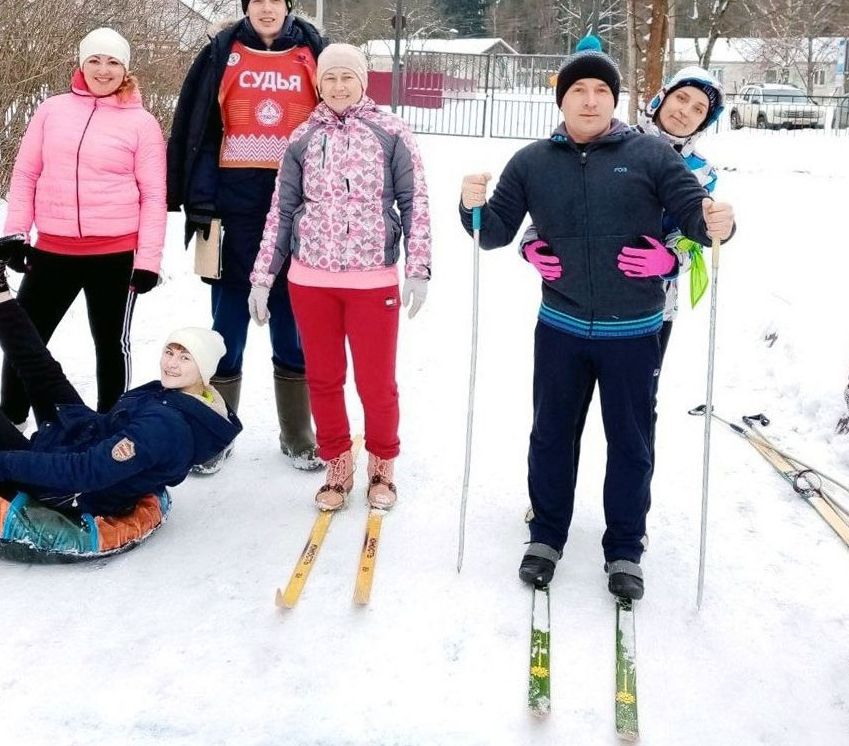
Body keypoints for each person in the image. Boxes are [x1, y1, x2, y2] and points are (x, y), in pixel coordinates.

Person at [458, 40, 736, 601]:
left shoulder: (654, 156)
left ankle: (625, 547)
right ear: (561, 100)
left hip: (634, 331)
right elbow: (493, 232)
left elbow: (696, 219)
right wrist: (471, 206)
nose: (590, 100)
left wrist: (718, 224)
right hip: (560, 327)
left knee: (630, 442)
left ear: (616, 99)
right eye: (579, 90)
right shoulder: (532, 162)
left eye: (602, 90)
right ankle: (546, 534)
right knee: (551, 434)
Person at [518, 63, 726, 524]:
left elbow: (696, 235)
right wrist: (531, 243)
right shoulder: (611, 137)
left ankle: (631, 520)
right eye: (681, 98)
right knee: (560, 414)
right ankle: (549, 504)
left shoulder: (704, 173)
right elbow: (557, 207)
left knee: (634, 419)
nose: (685, 112)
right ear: (661, 98)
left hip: (649, 310)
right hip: (577, 307)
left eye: (699, 110)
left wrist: (671, 261)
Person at [249, 45, 431, 511]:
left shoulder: (391, 131)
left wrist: (418, 268)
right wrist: (263, 277)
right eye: (329, 78)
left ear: (362, 81)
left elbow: (414, 201)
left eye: (347, 77)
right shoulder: (303, 136)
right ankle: (337, 463)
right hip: (311, 281)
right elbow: (282, 211)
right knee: (324, 379)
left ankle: (382, 464)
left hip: (373, 281)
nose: (338, 86)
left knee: (376, 383)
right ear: (318, 84)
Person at [167, 0, 327, 473]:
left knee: (293, 316)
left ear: (287, 6)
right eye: (257, 2)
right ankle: (218, 430)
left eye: (276, 1)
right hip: (230, 205)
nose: (266, 8)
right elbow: (199, 129)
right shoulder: (222, 52)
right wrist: (198, 200)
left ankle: (297, 434)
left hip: (297, 204)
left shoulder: (313, 52)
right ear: (246, 8)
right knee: (228, 320)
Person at [0, 236, 241, 514]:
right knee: (41, 368)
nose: (171, 364)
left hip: (70, 490)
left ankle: (10, 478)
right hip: (85, 436)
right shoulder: (175, 394)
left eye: (185, 357)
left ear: (204, 371)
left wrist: (2, 463)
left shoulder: (166, 426)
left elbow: (85, 472)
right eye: (170, 352)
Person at [0, 27, 166, 426]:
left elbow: (153, 195)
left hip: (114, 255)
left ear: (125, 69)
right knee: (25, 340)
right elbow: (25, 174)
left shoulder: (142, 123)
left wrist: (148, 261)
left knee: (111, 345)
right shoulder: (51, 111)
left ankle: (112, 425)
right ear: (81, 63)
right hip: (51, 250)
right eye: (94, 60)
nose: (103, 70)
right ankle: (11, 422)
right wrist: (16, 236)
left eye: (112, 62)